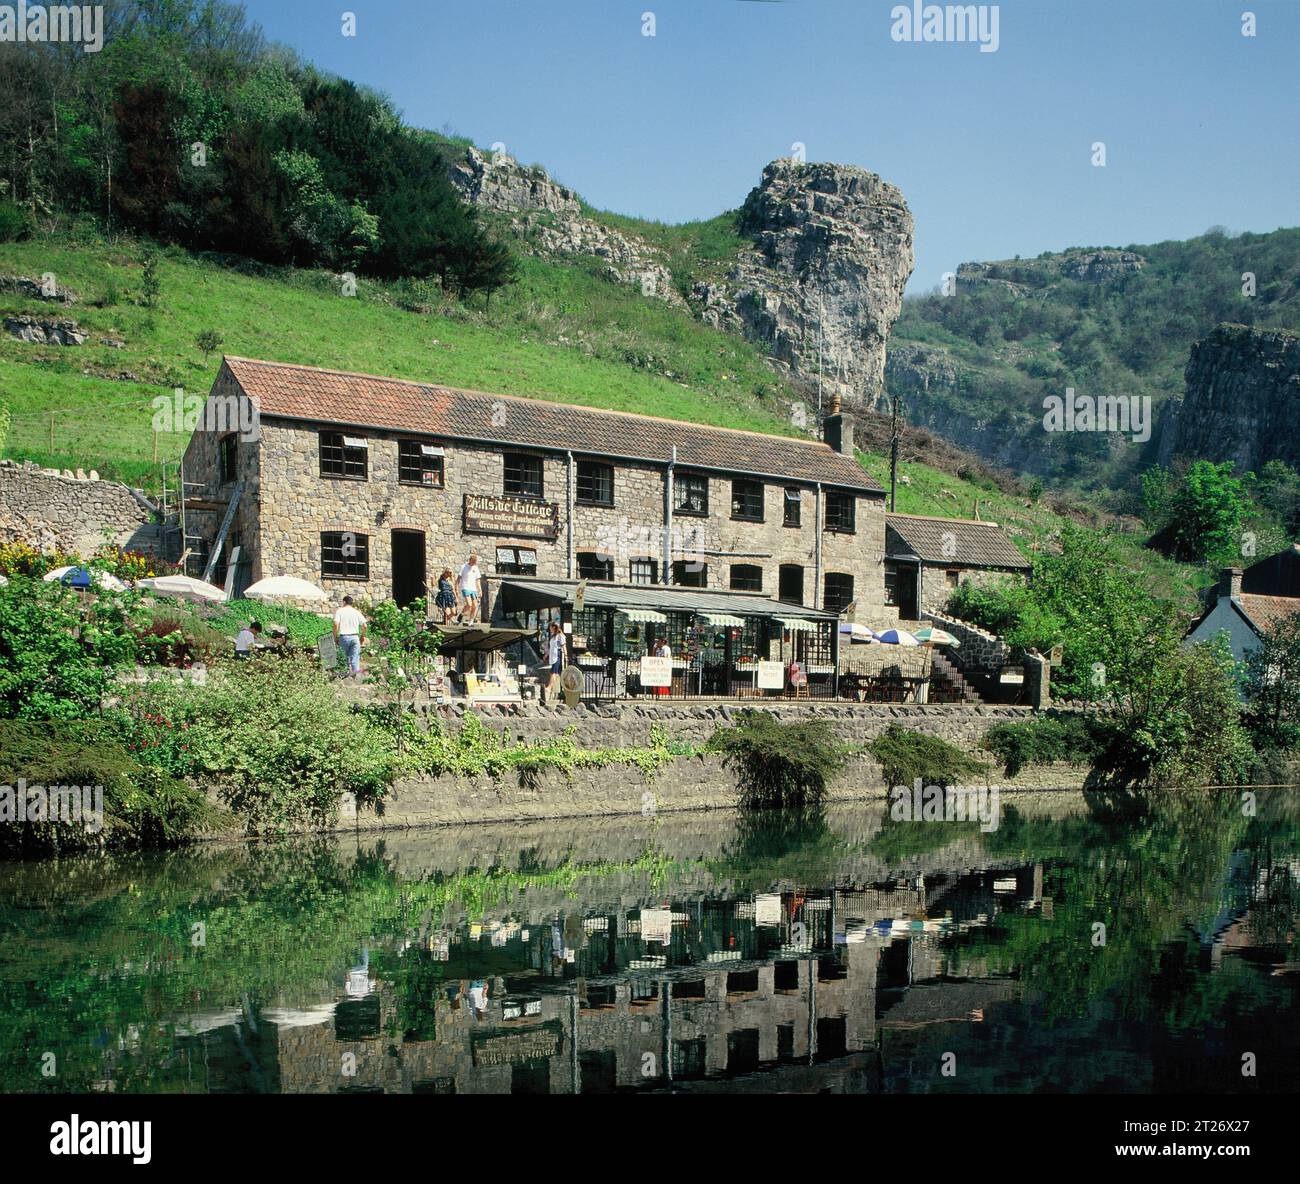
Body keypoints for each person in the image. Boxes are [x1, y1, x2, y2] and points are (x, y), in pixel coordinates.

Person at [333, 595, 367, 678]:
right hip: (355, 637)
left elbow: (335, 624)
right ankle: (356, 678)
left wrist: (335, 636)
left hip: (344, 637)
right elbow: (365, 625)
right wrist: (362, 636)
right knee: (355, 659)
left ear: (344, 602)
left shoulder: (340, 611)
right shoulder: (356, 612)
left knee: (343, 658)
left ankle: (344, 678)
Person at [543, 620, 566, 704]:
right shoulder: (553, 636)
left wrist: (566, 656)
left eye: (550, 627)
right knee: (553, 673)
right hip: (552, 655)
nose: (550, 629)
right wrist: (546, 655)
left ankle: (549, 687)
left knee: (554, 672)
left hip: (557, 655)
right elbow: (551, 647)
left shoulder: (560, 636)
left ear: (553, 627)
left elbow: (563, 646)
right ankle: (553, 688)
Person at [457, 553, 482, 624]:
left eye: (475, 562)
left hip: (473, 589)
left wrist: (480, 590)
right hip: (465, 587)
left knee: (475, 605)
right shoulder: (464, 567)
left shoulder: (476, 568)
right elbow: (458, 578)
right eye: (473, 561)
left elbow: (478, 580)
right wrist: (456, 588)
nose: (474, 563)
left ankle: (470, 621)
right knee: (469, 604)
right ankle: (461, 614)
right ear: (470, 560)